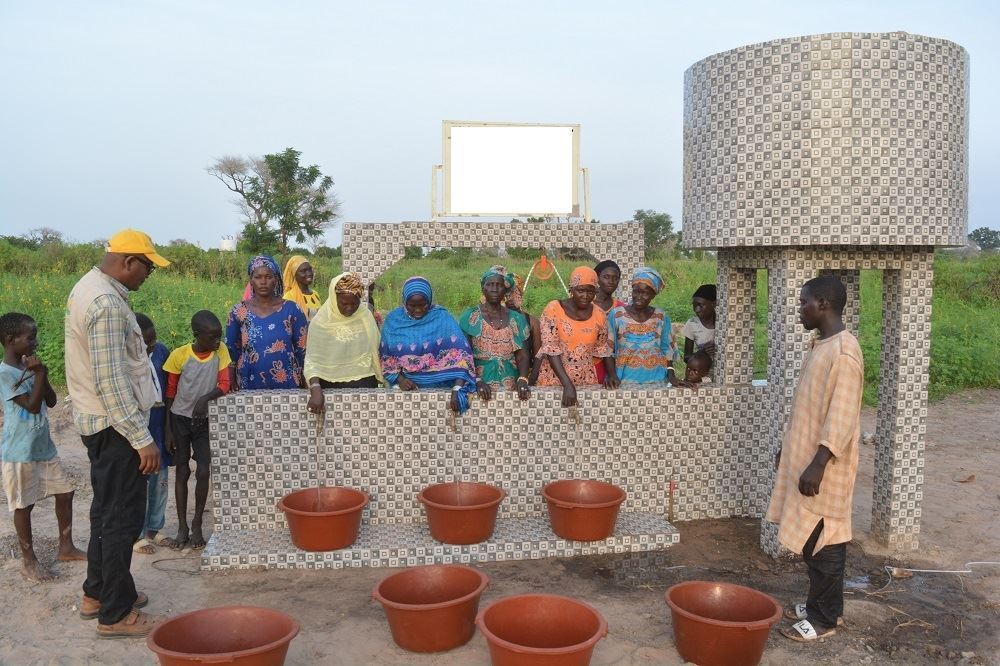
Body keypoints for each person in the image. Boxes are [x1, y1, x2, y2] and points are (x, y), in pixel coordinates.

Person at [65, 229, 167, 637]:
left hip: (100, 424)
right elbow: (111, 380)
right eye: (147, 267)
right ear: (128, 262)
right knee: (123, 517)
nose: (148, 275)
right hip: (115, 428)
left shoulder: (90, 287)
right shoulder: (106, 303)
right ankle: (116, 614)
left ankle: (97, 593)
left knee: (106, 512)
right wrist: (141, 437)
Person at [766, 276, 863, 643]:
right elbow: (809, 410)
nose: (799, 309)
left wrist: (819, 463)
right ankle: (817, 604)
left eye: (804, 302)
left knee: (826, 541)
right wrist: (789, 450)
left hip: (825, 468)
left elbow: (842, 415)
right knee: (812, 539)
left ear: (823, 304)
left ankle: (825, 618)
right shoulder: (823, 345)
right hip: (807, 460)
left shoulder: (844, 353)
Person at [1, 312, 86, 582]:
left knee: (65, 493)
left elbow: (50, 401)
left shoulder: (30, 367)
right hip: (19, 451)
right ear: (11, 340)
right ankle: (29, 561)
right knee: (23, 505)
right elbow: (31, 405)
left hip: (43, 447)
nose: (35, 342)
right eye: (30, 337)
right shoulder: (4, 374)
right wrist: (39, 373)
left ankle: (66, 547)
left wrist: (42, 373)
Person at [165, 311, 231, 550]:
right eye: (212, 337)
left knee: (204, 471)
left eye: (218, 336)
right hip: (180, 419)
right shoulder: (179, 356)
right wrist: (168, 430)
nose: (216, 341)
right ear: (196, 335)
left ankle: (197, 524)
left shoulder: (220, 351)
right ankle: (182, 526)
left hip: (204, 420)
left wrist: (205, 399)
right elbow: (170, 395)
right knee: (182, 471)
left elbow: (225, 384)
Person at [378, 277, 477, 414]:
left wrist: (457, 389)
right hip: (406, 390)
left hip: (442, 392)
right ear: (404, 301)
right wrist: (400, 379)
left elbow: (463, 357)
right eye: (412, 305)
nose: (418, 310)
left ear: (430, 300)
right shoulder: (393, 321)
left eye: (423, 305)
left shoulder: (442, 318)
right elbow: (385, 357)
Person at [536, 266, 618, 407]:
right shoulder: (554, 309)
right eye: (580, 291)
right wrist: (567, 385)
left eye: (590, 291)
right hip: (554, 381)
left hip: (585, 381)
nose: (585, 296)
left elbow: (602, 348)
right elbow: (551, 349)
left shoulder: (599, 314)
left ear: (596, 292)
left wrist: (612, 374)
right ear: (571, 289)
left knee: (584, 425)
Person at [305, 273, 384, 417]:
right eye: (344, 304)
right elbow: (312, 361)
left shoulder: (365, 316)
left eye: (354, 304)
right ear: (334, 299)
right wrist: (315, 389)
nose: (349, 308)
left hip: (364, 384)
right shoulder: (320, 322)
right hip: (329, 386)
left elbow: (375, 349)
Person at [226, 255, 308, 390]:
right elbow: (232, 349)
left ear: (276, 280)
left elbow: (302, 350)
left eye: (268, 277)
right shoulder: (238, 311)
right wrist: (231, 378)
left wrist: (306, 380)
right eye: (258, 277)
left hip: (287, 382)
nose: (263, 282)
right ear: (251, 281)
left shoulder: (292, 309)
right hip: (248, 381)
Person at [132, 313, 176, 555]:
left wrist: (170, 428)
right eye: (145, 342)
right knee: (141, 479)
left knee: (160, 478)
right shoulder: (128, 357)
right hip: (141, 420)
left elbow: (169, 389)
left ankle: (154, 528)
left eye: (153, 340)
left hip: (160, 420)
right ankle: (136, 534)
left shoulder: (161, 352)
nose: (151, 345)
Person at [459, 266, 531, 402]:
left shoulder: (516, 318)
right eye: (489, 284)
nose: (494, 289)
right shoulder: (469, 317)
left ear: (505, 290)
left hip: (512, 384)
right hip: (479, 385)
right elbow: (464, 356)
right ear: (483, 288)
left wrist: (522, 379)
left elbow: (522, 355)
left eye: (499, 285)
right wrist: (477, 381)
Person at [607, 267, 678, 385]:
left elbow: (667, 349)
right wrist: (612, 376)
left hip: (657, 378)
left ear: (653, 295)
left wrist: (671, 375)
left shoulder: (661, 316)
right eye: (636, 291)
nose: (639, 296)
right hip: (624, 379)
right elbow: (608, 349)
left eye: (645, 293)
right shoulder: (617, 315)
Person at [504, 272, 543, 384]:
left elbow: (538, 354)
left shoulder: (532, 322)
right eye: (507, 295)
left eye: (516, 294)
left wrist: (532, 378)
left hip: (526, 376)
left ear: (521, 296)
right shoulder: (494, 321)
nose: (510, 299)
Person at [592, 260, 626, 385]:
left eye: (615, 278)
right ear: (597, 278)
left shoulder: (621, 308)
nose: (611, 282)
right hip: (590, 364)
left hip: (615, 367)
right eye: (606, 277)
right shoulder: (585, 305)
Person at [682, 284, 717, 362]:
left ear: (713, 304)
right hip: (702, 373)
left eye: (700, 305)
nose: (696, 310)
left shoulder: (724, 323)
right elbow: (686, 357)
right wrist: (702, 352)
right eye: (694, 305)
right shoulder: (692, 324)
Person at [282, 255, 321, 320]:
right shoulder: (289, 297)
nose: (309, 273)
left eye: (310, 269)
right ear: (295, 274)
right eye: (303, 271)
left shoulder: (315, 294)